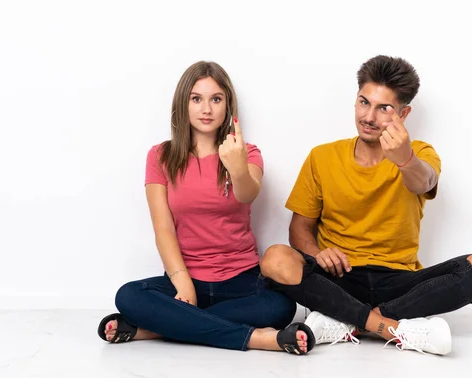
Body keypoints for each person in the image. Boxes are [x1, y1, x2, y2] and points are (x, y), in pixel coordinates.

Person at [259, 55, 472, 356]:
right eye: (363, 102)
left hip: (399, 280)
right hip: (339, 278)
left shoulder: (419, 153)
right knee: (275, 258)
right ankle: (391, 327)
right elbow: (299, 229)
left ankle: (349, 321)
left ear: (403, 113)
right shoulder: (322, 156)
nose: (369, 117)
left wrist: (404, 159)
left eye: (383, 108)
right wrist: (319, 254)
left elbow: (423, 182)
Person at [97, 61, 315, 355]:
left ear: (227, 105)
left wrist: (237, 168)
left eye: (216, 99)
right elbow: (163, 229)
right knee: (128, 296)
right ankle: (256, 339)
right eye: (196, 99)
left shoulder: (247, 153)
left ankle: (156, 328)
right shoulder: (160, 156)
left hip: (241, 281)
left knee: (281, 306)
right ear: (183, 104)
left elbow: (248, 194)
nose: (206, 109)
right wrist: (183, 283)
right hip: (184, 278)